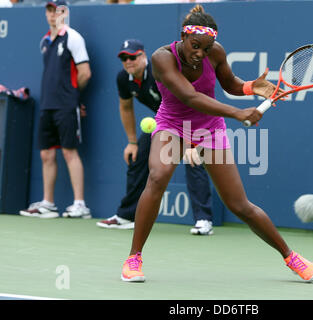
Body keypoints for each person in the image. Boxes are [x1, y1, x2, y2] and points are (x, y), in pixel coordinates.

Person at [121, 4, 313, 283]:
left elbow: (229, 84)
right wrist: (238, 113)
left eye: (206, 47)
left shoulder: (215, 52)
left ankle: (291, 257)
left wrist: (251, 87)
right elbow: (190, 97)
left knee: (239, 205)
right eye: (195, 46)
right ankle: (134, 258)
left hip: (208, 128)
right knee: (158, 176)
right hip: (173, 125)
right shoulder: (161, 58)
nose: (200, 53)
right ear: (182, 37)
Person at [96, 39, 215, 235]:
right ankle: (127, 215)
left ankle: (204, 220)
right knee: (138, 155)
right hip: (166, 121)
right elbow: (125, 107)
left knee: (193, 160)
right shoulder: (123, 79)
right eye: (124, 58)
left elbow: (189, 98)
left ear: (143, 56)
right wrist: (132, 142)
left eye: (133, 57)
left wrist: (192, 141)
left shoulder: (159, 72)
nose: (128, 62)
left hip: (192, 117)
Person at [19, 0, 92, 219]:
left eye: (57, 10)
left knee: (70, 152)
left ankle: (80, 204)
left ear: (65, 13)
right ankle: (48, 203)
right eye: (49, 10)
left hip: (66, 106)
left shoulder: (73, 37)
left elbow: (85, 72)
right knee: (46, 154)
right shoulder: (44, 41)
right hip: (48, 106)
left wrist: (72, 96)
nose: (53, 14)